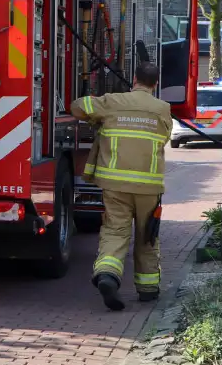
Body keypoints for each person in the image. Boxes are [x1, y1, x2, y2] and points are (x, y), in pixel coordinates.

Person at [71, 62, 172, 312]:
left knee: (115, 231)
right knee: (147, 236)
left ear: (134, 79)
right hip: (149, 187)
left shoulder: (112, 101)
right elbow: (165, 137)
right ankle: (148, 289)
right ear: (155, 84)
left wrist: (98, 118)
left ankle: (107, 275)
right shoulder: (163, 109)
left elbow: (77, 107)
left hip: (114, 184)